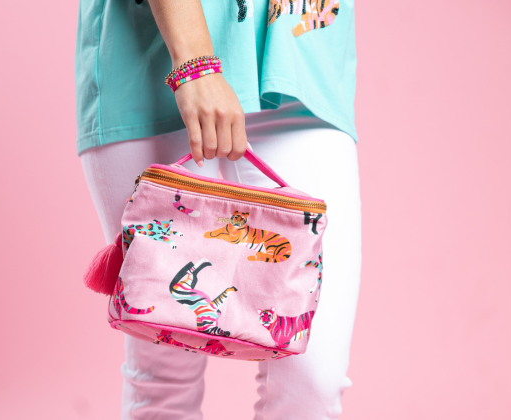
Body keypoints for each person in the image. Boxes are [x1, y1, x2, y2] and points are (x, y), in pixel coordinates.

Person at [75, 0, 361, 418]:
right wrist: (194, 64)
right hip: (153, 53)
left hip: (300, 57)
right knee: (164, 369)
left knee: (315, 378)